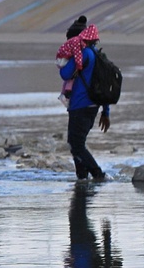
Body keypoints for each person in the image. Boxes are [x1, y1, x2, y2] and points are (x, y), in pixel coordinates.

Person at [59, 24, 110, 182]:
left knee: (76, 144)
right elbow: (103, 84)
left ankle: (98, 174)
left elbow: (65, 73)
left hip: (80, 105)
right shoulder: (97, 54)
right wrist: (105, 112)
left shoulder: (84, 54)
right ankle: (82, 177)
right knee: (76, 143)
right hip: (93, 106)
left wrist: (65, 59)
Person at [56, 15, 88, 107]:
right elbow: (78, 52)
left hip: (62, 56)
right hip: (68, 55)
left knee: (68, 77)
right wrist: (79, 66)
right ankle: (67, 93)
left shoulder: (73, 26)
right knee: (72, 76)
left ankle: (63, 93)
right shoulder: (81, 32)